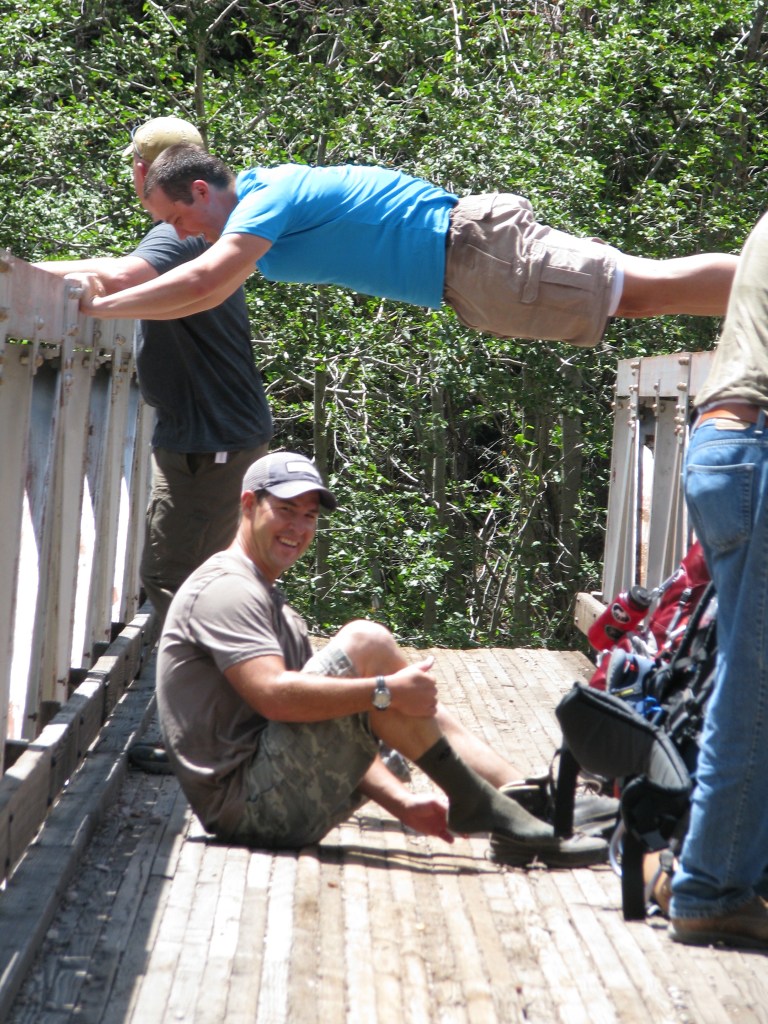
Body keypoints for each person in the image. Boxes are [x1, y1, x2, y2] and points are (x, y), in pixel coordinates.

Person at [156, 450, 610, 865]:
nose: (298, 528)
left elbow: (316, 721)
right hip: (247, 807)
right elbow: (275, 698)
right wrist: (384, 691)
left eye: (310, 516)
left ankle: (524, 799)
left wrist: (401, 802)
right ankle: (501, 804)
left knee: (390, 691)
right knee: (367, 645)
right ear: (249, 504)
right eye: (286, 511)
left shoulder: (270, 601)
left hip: (272, 795)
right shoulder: (226, 589)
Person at [74, 145, 738, 347]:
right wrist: (67, 277)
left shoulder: (264, 201)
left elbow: (199, 283)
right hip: (472, 273)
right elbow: (204, 284)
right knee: (641, 292)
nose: (179, 236)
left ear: (200, 189)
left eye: (176, 219)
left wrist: (102, 309)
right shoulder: (254, 219)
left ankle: (757, 284)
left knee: (646, 290)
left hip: (477, 256)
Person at [36, 118, 273, 628]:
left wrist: (23, 271)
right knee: (200, 577)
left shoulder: (179, 233)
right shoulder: (203, 227)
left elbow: (122, 275)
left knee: (177, 581)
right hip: (208, 435)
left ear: (143, 170)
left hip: (211, 440)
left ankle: (226, 694)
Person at [667, 212, 768, 948]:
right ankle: (709, 884)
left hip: (721, 446)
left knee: (749, 674)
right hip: (757, 448)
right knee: (752, 685)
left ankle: (726, 865)